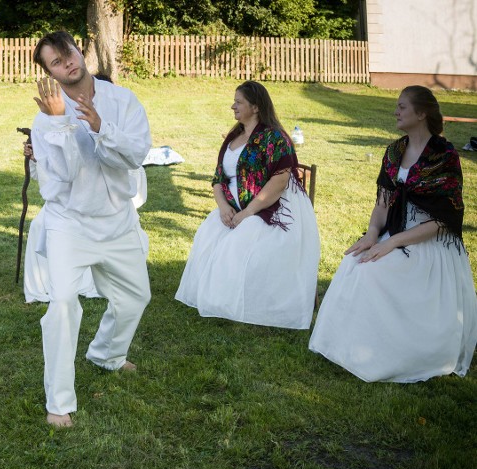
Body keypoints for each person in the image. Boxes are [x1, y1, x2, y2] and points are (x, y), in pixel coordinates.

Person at [309, 86, 477, 382]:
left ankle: (397, 353)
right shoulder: (394, 151)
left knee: (375, 273)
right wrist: (373, 234)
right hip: (395, 233)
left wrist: (393, 243)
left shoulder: (444, 157)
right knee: (354, 263)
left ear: (421, 113)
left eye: (402, 107)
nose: (395, 112)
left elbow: (445, 220)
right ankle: (353, 348)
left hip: (427, 242)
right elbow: (383, 203)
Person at [30, 31, 152, 427]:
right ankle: (59, 401)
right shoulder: (44, 117)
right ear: (49, 72)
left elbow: (135, 155)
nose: (66, 63)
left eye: (68, 53)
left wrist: (100, 126)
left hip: (117, 220)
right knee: (63, 303)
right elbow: (60, 175)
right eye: (55, 62)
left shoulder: (123, 100)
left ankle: (106, 354)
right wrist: (58, 124)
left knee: (135, 297)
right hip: (71, 223)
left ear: (79, 51)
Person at [175, 81, 320, 329]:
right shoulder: (233, 136)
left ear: (255, 106)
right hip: (233, 207)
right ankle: (219, 299)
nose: (233, 106)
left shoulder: (274, 138)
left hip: (269, 209)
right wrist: (223, 207)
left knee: (243, 238)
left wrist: (247, 213)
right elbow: (218, 178)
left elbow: (280, 180)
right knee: (211, 231)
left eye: (238, 101)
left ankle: (247, 303)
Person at [21, 140, 147, 302]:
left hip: (103, 203)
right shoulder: (64, 136)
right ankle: (49, 282)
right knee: (38, 224)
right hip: (65, 200)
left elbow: (131, 189)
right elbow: (51, 176)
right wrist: (38, 158)